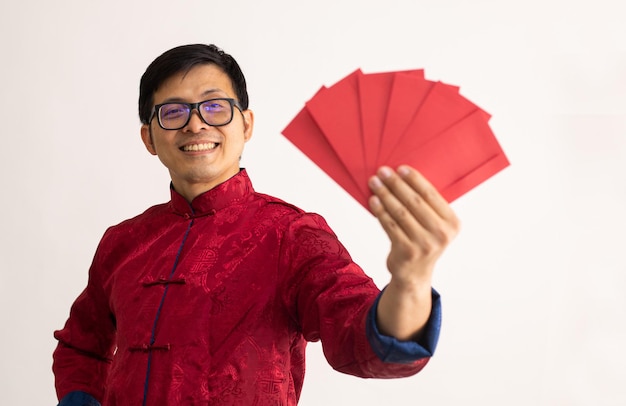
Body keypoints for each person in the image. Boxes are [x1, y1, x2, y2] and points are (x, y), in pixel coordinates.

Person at [52, 43, 460, 405]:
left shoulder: (292, 233)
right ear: (149, 138)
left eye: (214, 107)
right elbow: (81, 346)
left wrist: (411, 279)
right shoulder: (123, 241)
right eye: (173, 111)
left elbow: (361, 340)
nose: (196, 124)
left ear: (246, 124)